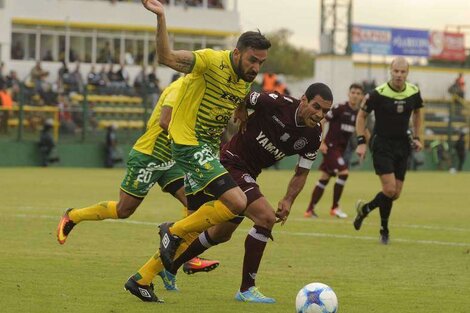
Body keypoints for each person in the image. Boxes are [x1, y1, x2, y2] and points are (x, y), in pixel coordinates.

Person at [127, 83, 333, 303]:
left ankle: (169, 267)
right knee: (265, 218)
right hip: (231, 163)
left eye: (325, 111)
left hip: (250, 174)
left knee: (220, 234)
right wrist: (241, 107)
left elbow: (301, 173)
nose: (319, 114)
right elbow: (242, 93)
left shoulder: (313, 136)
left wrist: (289, 199)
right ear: (303, 100)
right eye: (316, 107)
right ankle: (246, 289)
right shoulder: (276, 102)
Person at [140, 0, 271, 280]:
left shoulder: (244, 80)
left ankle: (142, 278)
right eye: (252, 60)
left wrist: (242, 111)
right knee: (236, 203)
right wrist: (161, 17)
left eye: (261, 62)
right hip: (189, 144)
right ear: (237, 53)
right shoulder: (211, 61)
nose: (256, 67)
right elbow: (167, 57)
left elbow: (234, 102)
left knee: (198, 225)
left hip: (209, 150)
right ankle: (170, 229)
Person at [56, 79, 220, 302]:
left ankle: (182, 257)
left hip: (171, 160)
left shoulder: (197, 90)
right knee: (124, 210)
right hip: (149, 156)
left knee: (195, 205)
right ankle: (73, 216)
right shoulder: (179, 87)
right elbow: (166, 121)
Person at [353, 57, 423, 245]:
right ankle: (384, 230)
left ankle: (365, 209)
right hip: (382, 144)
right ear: (390, 71)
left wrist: (417, 137)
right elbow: (361, 116)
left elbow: (417, 114)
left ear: (407, 73)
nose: (399, 75)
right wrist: (361, 141)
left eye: (403, 72)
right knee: (389, 189)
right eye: (396, 71)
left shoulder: (414, 92)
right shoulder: (377, 94)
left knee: (395, 193)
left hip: (403, 146)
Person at [304, 83, 364, 219]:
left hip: (341, 150)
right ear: (348, 94)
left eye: (358, 93)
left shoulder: (359, 113)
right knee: (344, 173)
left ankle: (309, 210)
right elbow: (323, 120)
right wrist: (321, 141)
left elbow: (362, 129)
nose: (355, 95)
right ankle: (335, 207)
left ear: (361, 97)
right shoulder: (340, 108)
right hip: (331, 147)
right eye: (353, 92)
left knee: (324, 178)